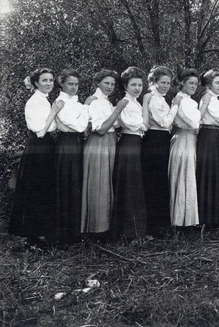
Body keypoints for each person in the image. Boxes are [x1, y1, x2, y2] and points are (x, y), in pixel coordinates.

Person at [9, 68, 64, 243]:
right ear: (36, 83)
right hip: (38, 146)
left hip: (46, 146)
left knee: (44, 186)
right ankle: (35, 234)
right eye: (45, 80)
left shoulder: (44, 100)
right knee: (37, 187)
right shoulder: (34, 102)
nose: (49, 83)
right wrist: (54, 112)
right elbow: (40, 131)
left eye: (51, 80)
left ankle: (43, 231)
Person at [81, 69, 127, 238]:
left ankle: (102, 228)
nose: (110, 86)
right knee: (98, 185)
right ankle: (95, 230)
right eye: (106, 83)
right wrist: (118, 109)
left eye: (113, 84)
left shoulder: (105, 101)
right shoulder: (96, 101)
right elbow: (100, 129)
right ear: (97, 83)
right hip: (99, 143)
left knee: (105, 184)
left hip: (108, 143)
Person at [141, 66, 179, 236]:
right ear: (153, 82)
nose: (166, 86)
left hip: (162, 140)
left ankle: (161, 225)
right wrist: (175, 107)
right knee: (154, 182)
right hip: (155, 140)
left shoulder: (160, 99)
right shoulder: (152, 98)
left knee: (161, 181)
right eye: (162, 82)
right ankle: (154, 226)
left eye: (168, 83)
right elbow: (164, 122)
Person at [112, 66, 149, 239]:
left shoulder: (136, 102)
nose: (137, 88)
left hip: (136, 143)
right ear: (125, 86)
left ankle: (135, 230)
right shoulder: (125, 102)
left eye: (139, 85)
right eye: (133, 85)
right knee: (129, 185)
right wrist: (142, 124)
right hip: (128, 144)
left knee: (135, 185)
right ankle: (127, 231)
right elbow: (131, 124)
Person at [54, 69, 89, 243]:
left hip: (76, 143)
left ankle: (75, 232)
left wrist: (81, 114)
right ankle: (65, 234)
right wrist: (84, 112)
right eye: (70, 84)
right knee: (68, 183)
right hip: (67, 143)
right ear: (62, 84)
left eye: (76, 84)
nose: (74, 87)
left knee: (76, 182)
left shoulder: (76, 102)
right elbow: (81, 126)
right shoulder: (61, 101)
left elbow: (80, 125)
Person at [197, 69, 219, 227]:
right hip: (208, 136)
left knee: (212, 172)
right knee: (209, 173)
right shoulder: (208, 98)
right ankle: (207, 218)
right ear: (209, 84)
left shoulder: (214, 99)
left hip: (213, 136)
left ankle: (211, 217)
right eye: (217, 82)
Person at [169, 68, 201, 227]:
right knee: (183, 177)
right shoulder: (181, 100)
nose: (193, 86)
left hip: (188, 139)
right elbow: (194, 123)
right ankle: (181, 221)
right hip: (184, 139)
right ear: (182, 82)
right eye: (190, 83)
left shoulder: (188, 100)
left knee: (187, 178)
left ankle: (186, 220)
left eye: (195, 83)